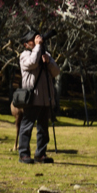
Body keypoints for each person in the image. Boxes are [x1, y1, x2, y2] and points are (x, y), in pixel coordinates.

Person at [18, 31, 59, 164]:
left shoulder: (44, 55)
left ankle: (40, 154)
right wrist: (37, 47)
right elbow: (33, 63)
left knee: (43, 128)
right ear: (26, 44)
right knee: (27, 126)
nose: (37, 41)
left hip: (45, 97)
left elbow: (56, 72)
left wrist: (49, 62)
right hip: (32, 97)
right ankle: (23, 154)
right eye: (33, 40)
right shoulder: (24, 55)